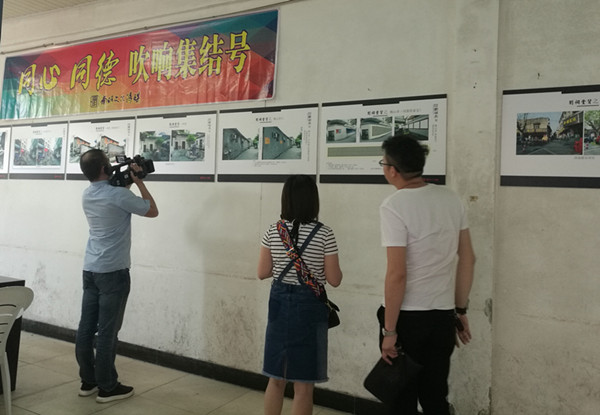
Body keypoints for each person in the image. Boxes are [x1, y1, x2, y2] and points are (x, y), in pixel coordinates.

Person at [378, 135, 475, 415]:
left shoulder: (394, 205)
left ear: (392, 170)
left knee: (402, 400)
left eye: (383, 163)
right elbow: (468, 258)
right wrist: (459, 310)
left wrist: (389, 331)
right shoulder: (451, 199)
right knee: (435, 398)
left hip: (407, 318)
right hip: (442, 317)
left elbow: (397, 274)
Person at [75, 149, 158, 403]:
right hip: (113, 272)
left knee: (86, 328)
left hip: (91, 269)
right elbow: (152, 210)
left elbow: (114, 195)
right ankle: (107, 387)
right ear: (104, 168)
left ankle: (88, 381)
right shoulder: (119, 195)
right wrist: (139, 182)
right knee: (108, 332)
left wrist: (125, 181)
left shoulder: (87, 194)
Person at [258, 175, 343, 415]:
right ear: (312, 200)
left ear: (286, 199)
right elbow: (334, 279)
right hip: (309, 308)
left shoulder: (273, 231)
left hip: (278, 305)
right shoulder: (324, 234)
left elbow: (262, 272)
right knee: (304, 386)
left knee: (276, 378)